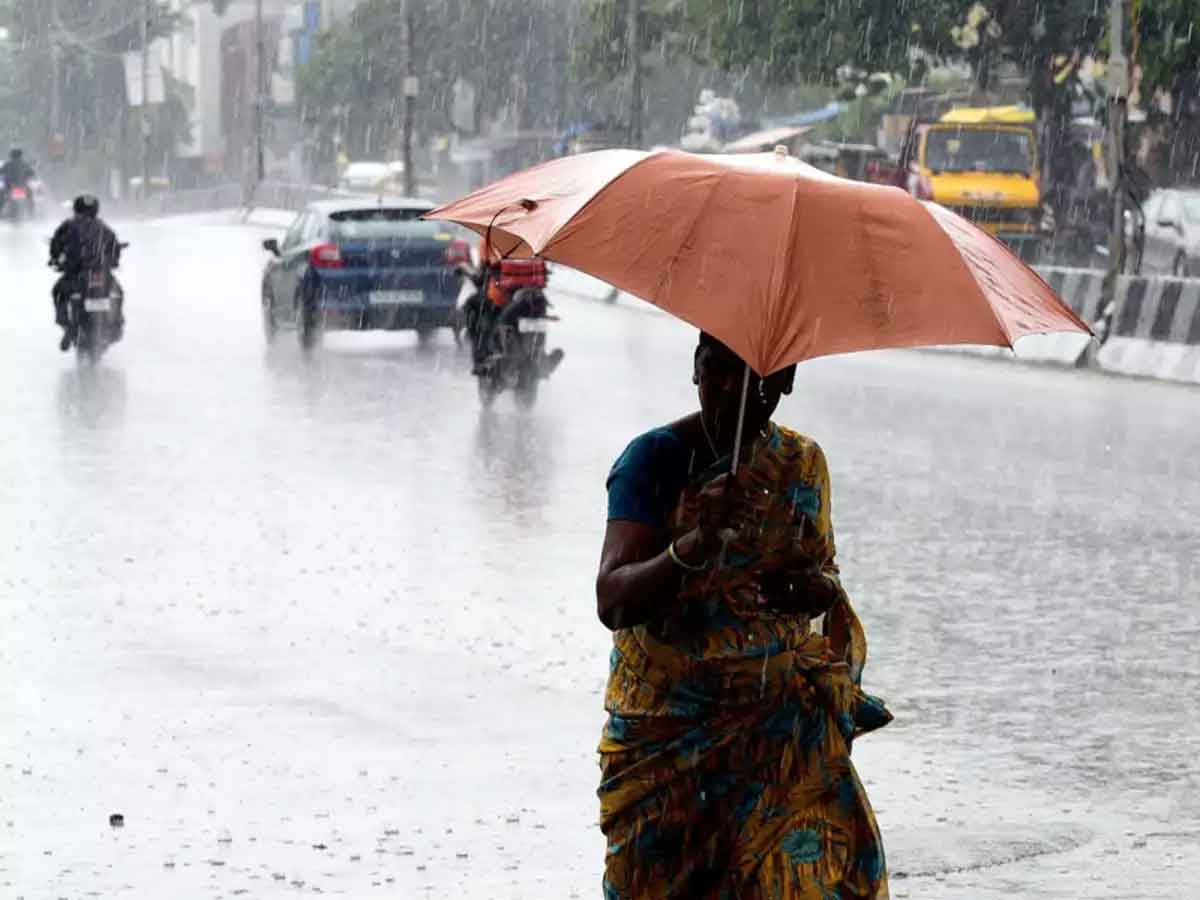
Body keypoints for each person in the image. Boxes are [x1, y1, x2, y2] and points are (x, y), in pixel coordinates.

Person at [595, 332, 891, 899]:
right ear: (695, 369)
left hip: (777, 735)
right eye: (717, 369)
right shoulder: (653, 460)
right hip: (668, 742)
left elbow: (825, 579)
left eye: (756, 379)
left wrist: (810, 590)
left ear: (787, 382)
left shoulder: (801, 464)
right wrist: (692, 547)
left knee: (810, 881)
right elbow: (613, 598)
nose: (731, 390)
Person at [49, 194, 123, 351]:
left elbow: (55, 247)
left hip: (75, 276)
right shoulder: (104, 228)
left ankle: (67, 325)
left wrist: (56, 259)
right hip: (101, 276)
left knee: (58, 292)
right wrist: (112, 261)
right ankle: (116, 324)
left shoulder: (67, 226)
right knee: (118, 293)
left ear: (76, 208)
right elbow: (115, 250)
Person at [0, 148, 36, 214]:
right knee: (30, 197)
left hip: (9, 186)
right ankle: (31, 212)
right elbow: (32, 173)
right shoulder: (25, 164)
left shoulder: (7, 164)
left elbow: (1, 172)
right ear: (20, 155)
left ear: (11, 155)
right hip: (23, 186)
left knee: (2, 197)